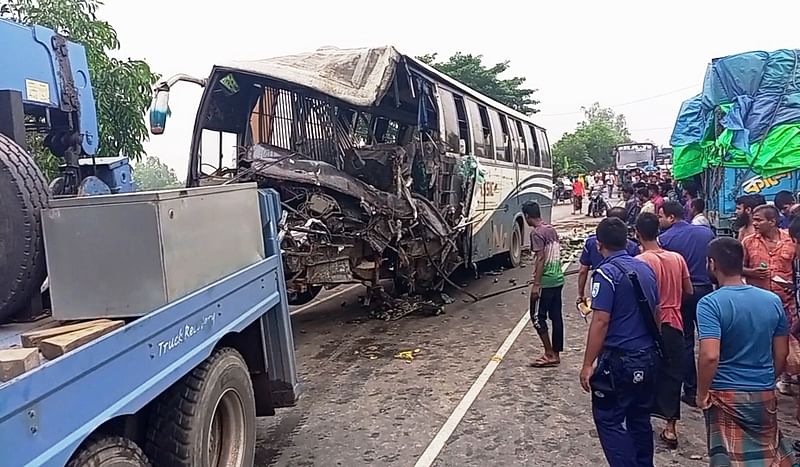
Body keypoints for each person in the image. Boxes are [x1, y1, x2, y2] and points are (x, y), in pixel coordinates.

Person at [696, 237, 794, 466]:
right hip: (762, 390)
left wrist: (701, 393)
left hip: (725, 392)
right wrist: (768, 379)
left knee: (728, 457)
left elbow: (710, 355)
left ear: (712, 264)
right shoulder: (772, 301)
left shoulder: (710, 304)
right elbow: (781, 353)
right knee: (767, 455)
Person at [580, 217, 660, 467]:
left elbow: (600, 320)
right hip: (646, 356)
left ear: (599, 244)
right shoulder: (645, 268)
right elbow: (656, 312)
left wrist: (587, 363)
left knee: (609, 420)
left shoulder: (605, 273)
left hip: (619, 360)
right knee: (640, 418)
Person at [635, 213, 692, 449]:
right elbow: (688, 290)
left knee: (645, 372)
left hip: (649, 326)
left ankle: (641, 420)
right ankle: (670, 428)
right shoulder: (677, 259)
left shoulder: (640, 261)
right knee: (673, 374)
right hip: (675, 323)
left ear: (637, 233)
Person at [657, 200, 715, 407]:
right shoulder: (706, 233)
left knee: (687, 342)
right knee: (713, 339)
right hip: (707, 292)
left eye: (661, 216)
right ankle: (714, 387)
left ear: (671, 217)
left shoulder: (665, 239)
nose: (659, 220)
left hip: (683, 295)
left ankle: (691, 390)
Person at [741, 205, 800, 395]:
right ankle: (762, 381)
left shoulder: (791, 240)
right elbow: (738, 268)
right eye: (754, 220)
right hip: (759, 304)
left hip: (787, 303)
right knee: (761, 342)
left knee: (788, 343)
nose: (755, 223)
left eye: (759, 220)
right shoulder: (748, 242)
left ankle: (787, 378)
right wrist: (752, 272)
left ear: (772, 221)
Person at [523, 201, 564, 368]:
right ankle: (556, 352)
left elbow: (540, 259)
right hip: (558, 279)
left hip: (546, 281)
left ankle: (549, 353)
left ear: (526, 216)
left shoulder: (536, 233)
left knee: (537, 317)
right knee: (556, 317)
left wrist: (536, 284)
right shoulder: (550, 229)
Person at [577, 207, 640, 307]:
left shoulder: (592, 242)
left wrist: (581, 294)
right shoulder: (632, 246)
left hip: (598, 287)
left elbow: (583, 270)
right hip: (625, 291)